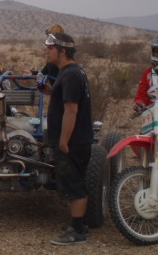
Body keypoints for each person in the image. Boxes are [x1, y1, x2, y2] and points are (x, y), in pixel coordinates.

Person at [39, 33, 92, 245]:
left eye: (50, 48)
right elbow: (67, 99)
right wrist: (52, 92)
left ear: (62, 51)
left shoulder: (70, 74)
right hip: (77, 138)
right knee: (73, 181)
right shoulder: (71, 72)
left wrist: (63, 140)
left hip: (73, 140)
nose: (46, 51)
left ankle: (77, 231)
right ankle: (78, 224)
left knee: (74, 183)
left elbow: (71, 110)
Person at [133, 33, 158, 111]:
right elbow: (141, 94)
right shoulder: (148, 73)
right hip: (153, 114)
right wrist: (139, 103)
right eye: (156, 51)